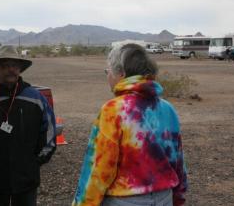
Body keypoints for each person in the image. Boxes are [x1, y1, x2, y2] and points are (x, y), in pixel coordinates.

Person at [72, 43, 187, 206]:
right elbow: (178, 161)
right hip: (164, 197)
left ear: (121, 74)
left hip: (125, 200)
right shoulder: (167, 108)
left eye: (108, 71)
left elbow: (99, 169)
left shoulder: (113, 110)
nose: (107, 77)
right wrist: (179, 197)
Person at [0, 45, 56, 206]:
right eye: (5, 66)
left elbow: (50, 135)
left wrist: (33, 163)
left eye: (14, 65)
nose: (10, 70)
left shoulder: (37, 100)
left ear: (20, 69)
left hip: (27, 180)